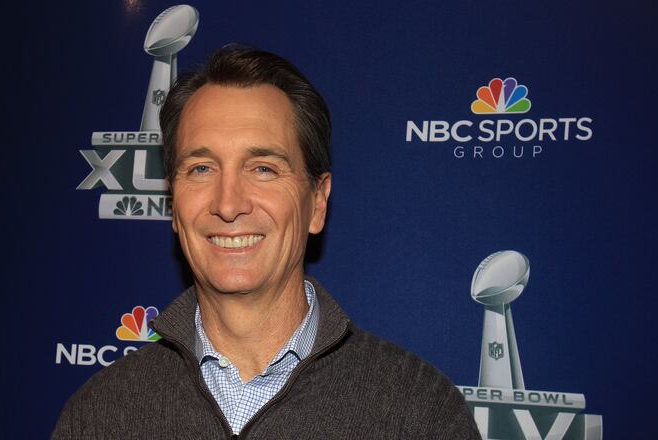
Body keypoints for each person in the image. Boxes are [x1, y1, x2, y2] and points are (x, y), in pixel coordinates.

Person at [52, 46, 481, 440]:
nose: (228, 203)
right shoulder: (99, 416)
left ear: (317, 201)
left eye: (263, 169)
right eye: (201, 168)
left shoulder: (419, 415)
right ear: (173, 204)